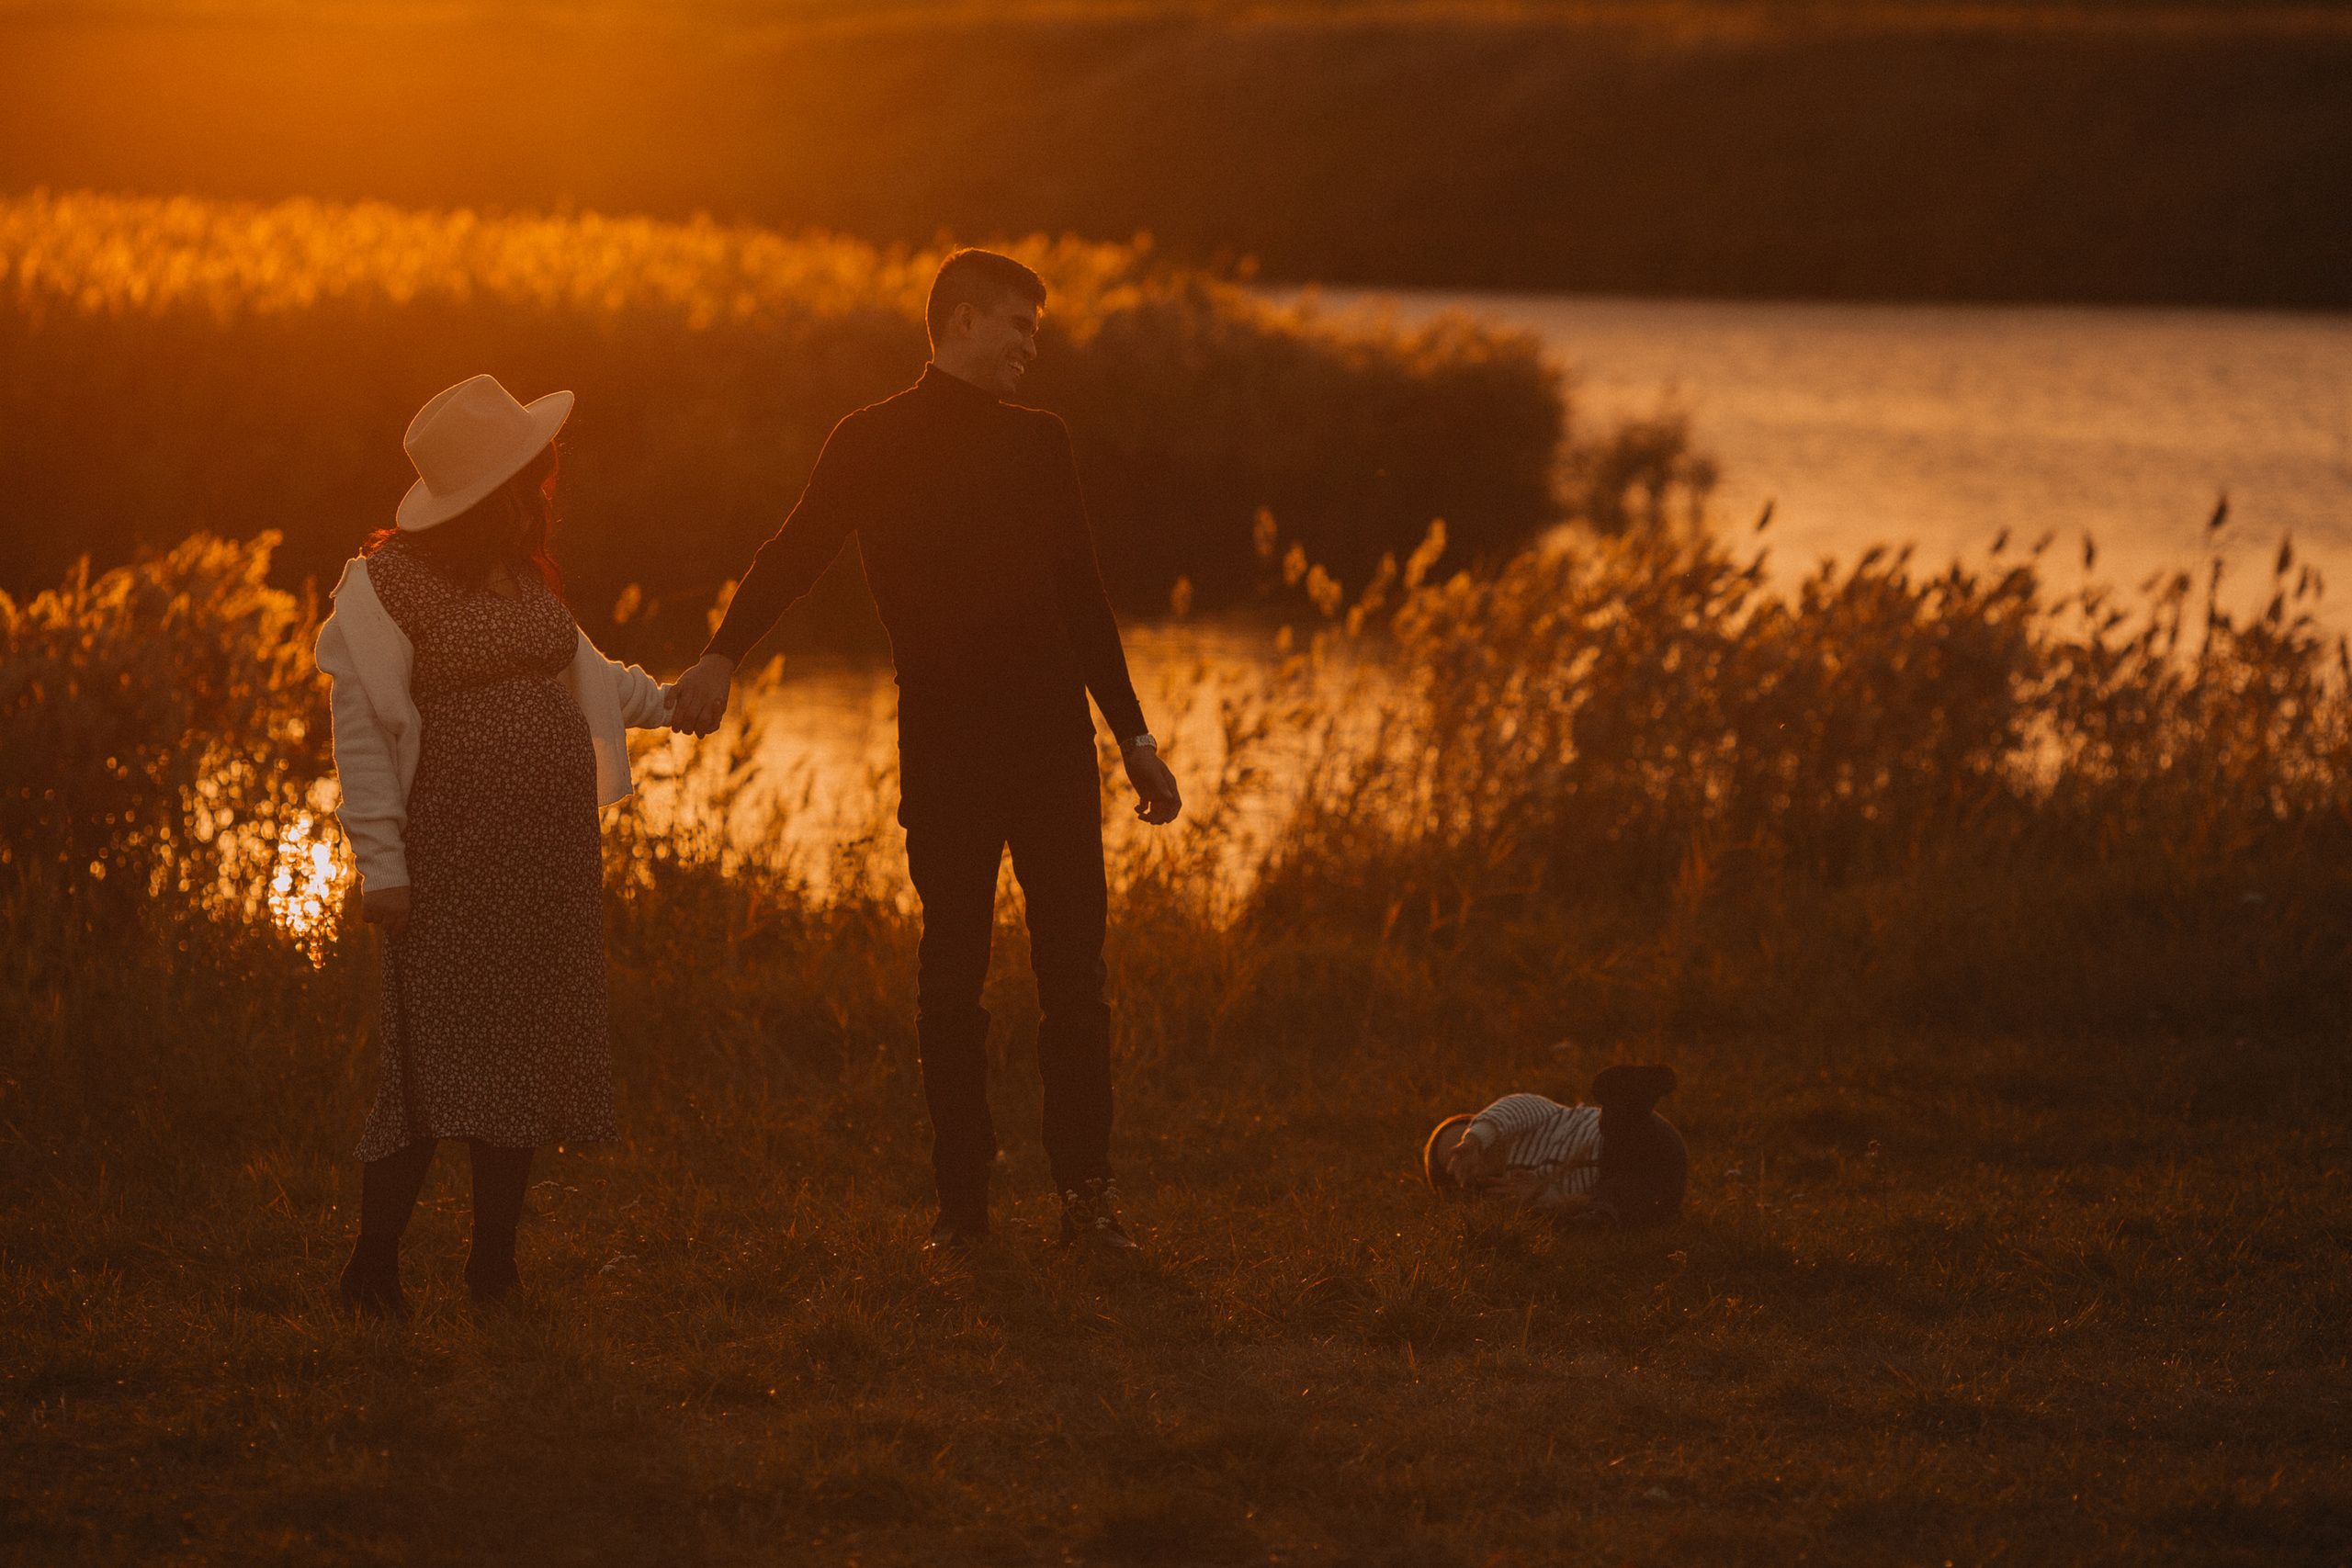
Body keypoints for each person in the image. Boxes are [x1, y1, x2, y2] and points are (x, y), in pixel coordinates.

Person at [664, 249, 1182, 1253]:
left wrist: (1135, 738)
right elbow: (796, 551)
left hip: (1052, 752)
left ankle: (1086, 1198)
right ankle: (964, 1205)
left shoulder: (1041, 444)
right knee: (952, 981)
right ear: (961, 322)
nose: (1033, 347)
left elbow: (1083, 595)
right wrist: (723, 654)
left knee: (1075, 980)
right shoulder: (869, 442)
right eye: (1019, 327)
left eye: (1036, 330)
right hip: (944, 752)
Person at [316, 374, 675, 1316]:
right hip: (448, 857)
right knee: (429, 1059)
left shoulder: (521, 579)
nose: (544, 493)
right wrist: (381, 869)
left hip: (544, 856)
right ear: (494, 491)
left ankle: (493, 1269)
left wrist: (677, 703)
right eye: (531, 478)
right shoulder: (384, 586)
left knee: (518, 1050)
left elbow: (593, 676)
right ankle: (372, 1268)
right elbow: (360, 737)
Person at [1424, 1065, 1687, 1229]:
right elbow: (1566, 1199)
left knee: (1618, 1124)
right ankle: (1602, 1217)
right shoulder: (1512, 1186)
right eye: (1455, 1168)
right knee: (1616, 1200)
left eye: (1460, 1146)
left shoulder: (1525, 1120)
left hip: (1640, 1143)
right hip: (1638, 1188)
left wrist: (1474, 1139)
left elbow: (1516, 1105)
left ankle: (1635, 1092)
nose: (1465, 1160)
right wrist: (1542, 1197)